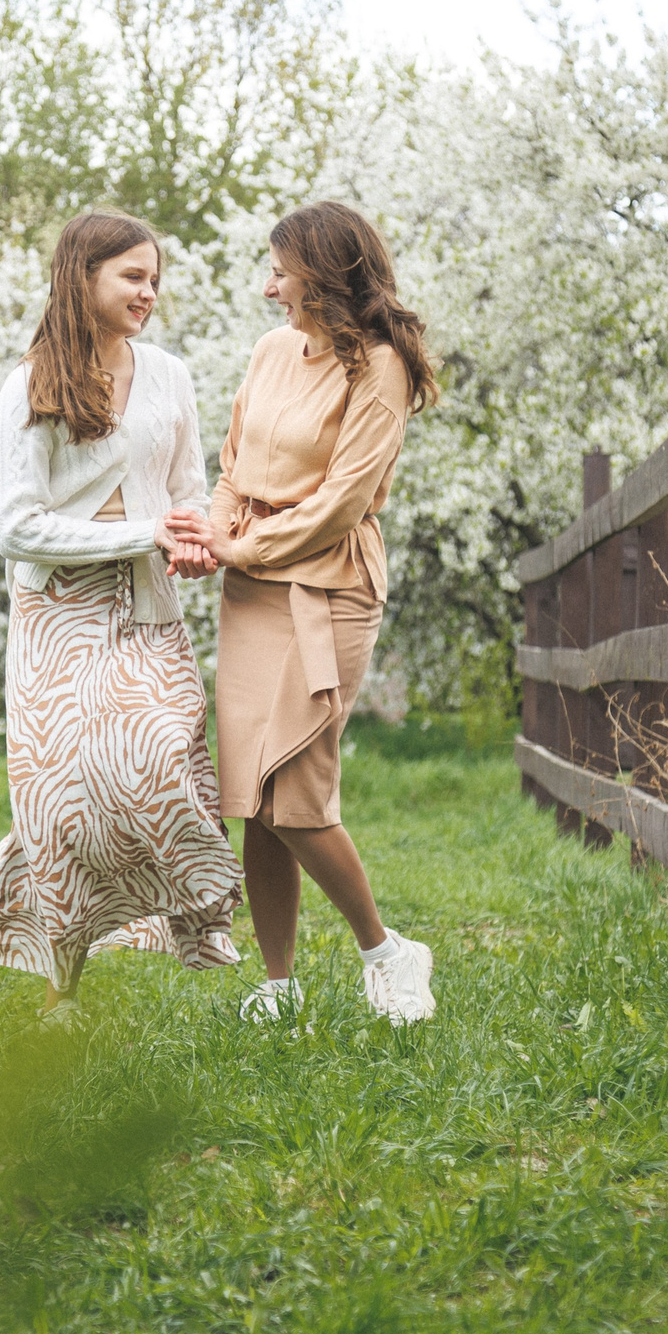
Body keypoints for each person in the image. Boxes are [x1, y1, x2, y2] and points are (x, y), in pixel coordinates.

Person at [0, 211, 241, 1026]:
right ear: (81, 276)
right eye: (132, 276)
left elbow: (189, 487)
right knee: (63, 805)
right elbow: (15, 527)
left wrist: (193, 535)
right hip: (59, 615)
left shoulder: (171, 375)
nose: (148, 292)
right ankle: (35, 984)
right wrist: (144, 532)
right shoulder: (30, 385)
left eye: (155, 278)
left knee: (158, 766)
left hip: (149, 609)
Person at [163, 200, 440, 1026]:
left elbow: (340, 501)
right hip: (250, 587)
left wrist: (238, 549)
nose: (267, 287)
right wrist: (210, 532)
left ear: (321, 275)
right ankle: (279, 984)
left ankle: (386, 954)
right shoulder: (272, 350)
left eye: (279, 271)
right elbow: (233, 465)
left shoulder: (380, 367)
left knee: (298, 791)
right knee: (252, 790)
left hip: (325, 585)